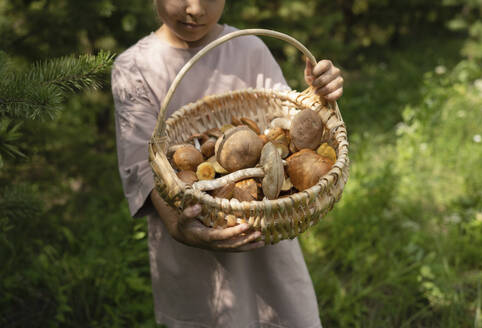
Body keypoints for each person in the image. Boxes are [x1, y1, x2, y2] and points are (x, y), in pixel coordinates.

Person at [111, 0, 343, 327]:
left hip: (264, 239)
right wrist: (178, 226)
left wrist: (318, 98)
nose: (195, 9)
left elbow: (285, 127)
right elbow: (141, 166)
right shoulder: (133, 68)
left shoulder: (248, 48)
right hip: (188, 249)